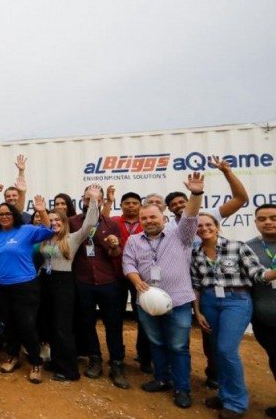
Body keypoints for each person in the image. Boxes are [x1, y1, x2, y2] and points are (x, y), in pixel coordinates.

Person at [123, 172, 205, 409]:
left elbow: (190, 216)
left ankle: (182, 388)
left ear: (163, 217)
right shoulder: (134, 241)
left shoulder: (180, 234)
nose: (148, 221)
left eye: (152, 217)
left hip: (178, 301)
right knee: (156, 343)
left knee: (179, 346)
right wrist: (136, 280)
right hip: (147, 302)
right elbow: (128, 263)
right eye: (144, 218)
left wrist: (196, 193)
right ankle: (161, 379)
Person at [165, 156, 248, 389]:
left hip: (225, 290)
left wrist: (226, 172)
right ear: (171, 210)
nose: (180, 206)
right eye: (175, 206)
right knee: (207, 335)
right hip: (193, 286)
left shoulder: (209, 215)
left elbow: (241, 199)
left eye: (183, 202)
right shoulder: (170, 228)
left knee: (224, 343)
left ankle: (223, 381)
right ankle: (213, 373)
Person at [192, 212, 274, 417]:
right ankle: (224, 394)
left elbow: (258, 274)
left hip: (235, 301)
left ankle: (236, 403)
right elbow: (196, 285)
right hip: (209, 302)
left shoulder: (237, 247)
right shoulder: (196, 253)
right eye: (199, 226)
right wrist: (198, 311)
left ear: (217, 227)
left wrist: (273, 273)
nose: (204, 228)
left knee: (226, 349)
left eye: (208, 225)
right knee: (217, 351)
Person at [40, 185, 102, 382]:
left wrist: (93, 200)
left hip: (63, 283)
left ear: (64, 221)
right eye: (51, 220)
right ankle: (57, 362)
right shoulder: (45, 239)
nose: (54, 223)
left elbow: (90, 224)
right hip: (46, 282)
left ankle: (69, 370)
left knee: (62, 327)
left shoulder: (73, 238)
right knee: (50, 325)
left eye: (58, 220)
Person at [69, 185, 126, 388]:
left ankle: (117, 364)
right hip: (82, 282)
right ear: (82, 201)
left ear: (102, 201)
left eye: (95, 199)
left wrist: (113, 245)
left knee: (114, 324)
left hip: (108, 283)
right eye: (87, 199)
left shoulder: (111, 224)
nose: (90, 203)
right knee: (87, 323)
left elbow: (115, 254)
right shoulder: (73, 222)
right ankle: (95, 359)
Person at [0, 196, 52, 383]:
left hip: (25, 286)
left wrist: (42, 211)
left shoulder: (26, 230)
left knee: (26, 325)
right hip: (1, 286)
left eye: (8, 213)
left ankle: (35, 362)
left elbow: (48, 231)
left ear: (15, 215)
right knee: (9, 325)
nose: (4, 217)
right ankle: (12, 356)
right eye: (0, 214)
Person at [104, 186, 152, 374]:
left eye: (135, 203)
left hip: (141, 279)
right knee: (115, 318)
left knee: (144, 318)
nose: (131, 206)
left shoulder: (147, 222)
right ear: (121, 205)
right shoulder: (114, 221)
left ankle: (145, 356)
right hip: (116, 276)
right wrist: (108, 201)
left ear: (141, 205)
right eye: (127, 203)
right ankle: (117, 357)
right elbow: (103, 220)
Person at [247, 204, 276, 418]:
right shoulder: (247, 248)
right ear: (256, 222)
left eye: (273, 218)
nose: (268, 222)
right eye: (262, 218)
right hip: (264, 319)